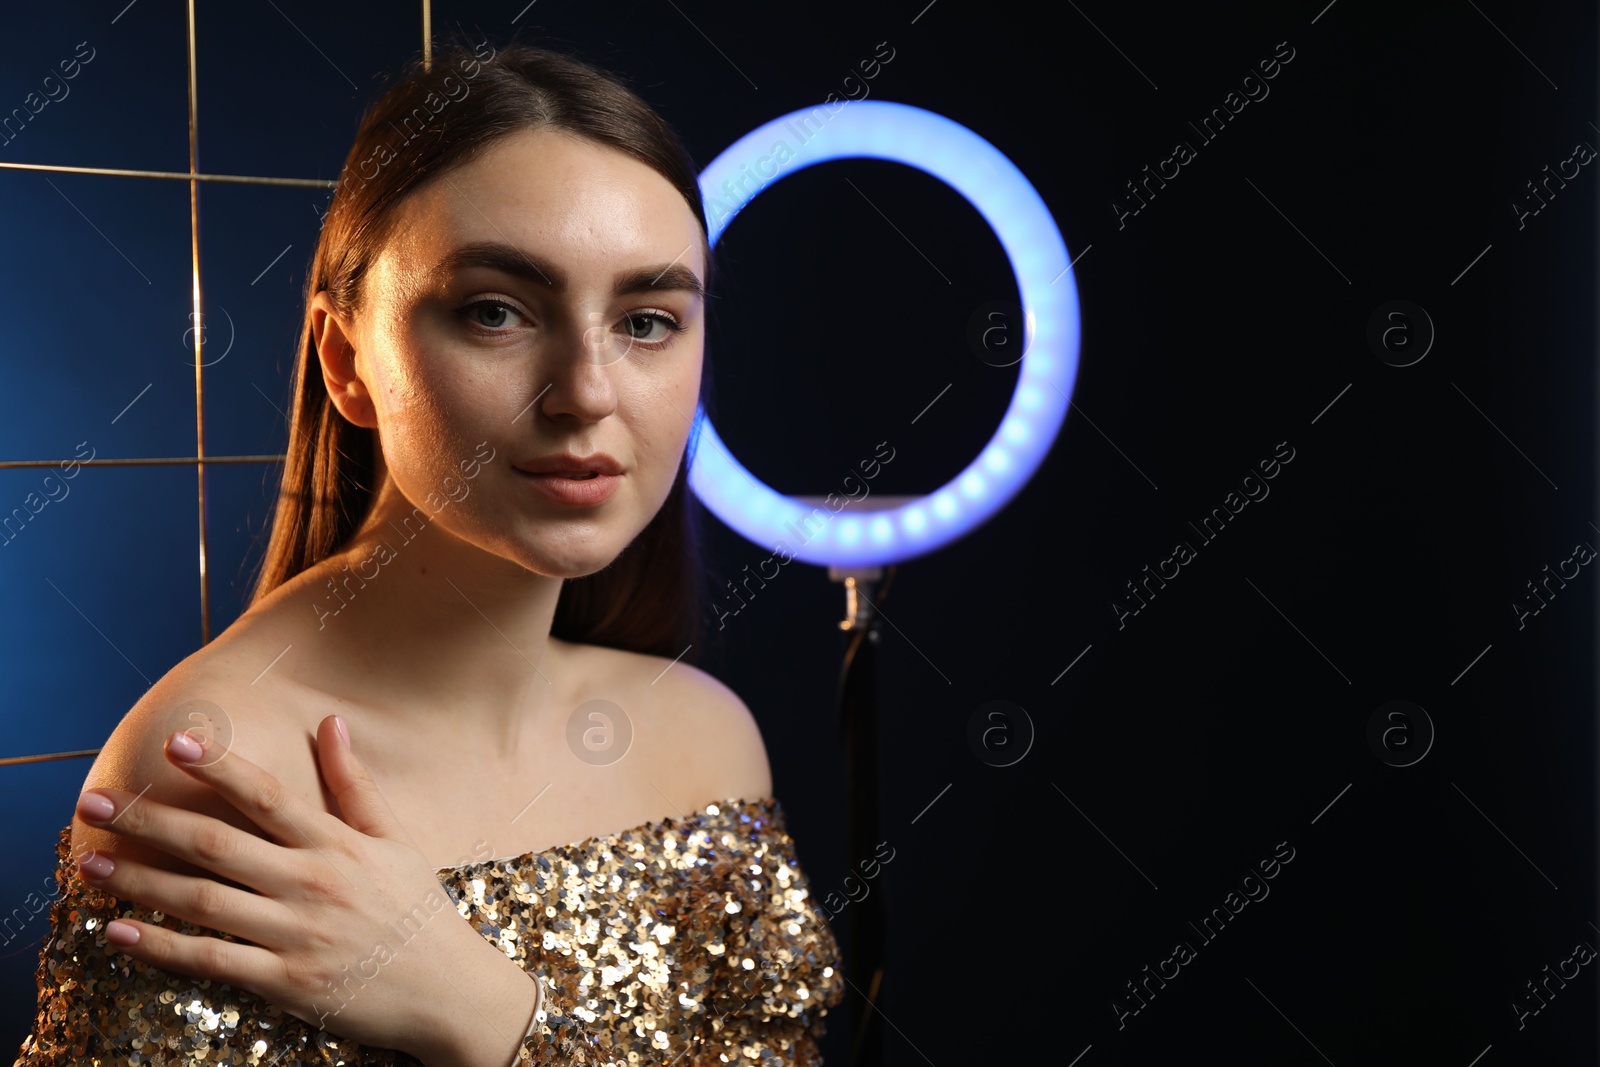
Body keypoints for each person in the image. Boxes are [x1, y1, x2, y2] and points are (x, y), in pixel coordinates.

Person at [13, 36, 843, 1067]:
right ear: (345, 360)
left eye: (645, 319)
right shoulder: (220, 770)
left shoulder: (703, 739)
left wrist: (491, 1014)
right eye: (495, 310)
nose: (587, 391)